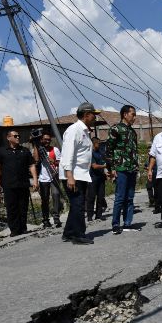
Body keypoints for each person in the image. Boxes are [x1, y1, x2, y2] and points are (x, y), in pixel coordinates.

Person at [60, 102, 100, 244]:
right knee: (78, 205)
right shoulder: (74, 130)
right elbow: (67, 154)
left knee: (76, 204)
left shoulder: (84, 131)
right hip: (73, 175)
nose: (95, 117)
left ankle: (69, 233)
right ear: (86, 115)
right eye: (93, 115)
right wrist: (69, 176)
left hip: (81, 174)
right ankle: (78, 235)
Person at [0, 130, 38, 237]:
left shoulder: (25, 150)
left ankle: (23, 228)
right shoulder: (1, 151)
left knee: (23, 207)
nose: (18, 137)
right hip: (9, 184)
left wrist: (35, 180)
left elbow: (31, 165)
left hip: (23, 183)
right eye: (15, 136)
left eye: (18, 136)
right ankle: (14, 229)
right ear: (9, 138)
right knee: (11, 207)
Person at [106, 104, 139, 234]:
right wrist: (111, 169)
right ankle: (115, 224)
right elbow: (109, 150)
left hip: (132, 169)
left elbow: (134, 151)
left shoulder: (132, 132)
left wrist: (136, 167)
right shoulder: (115, 129)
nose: (134, 117)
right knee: (120, 197)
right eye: (133, 114)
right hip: (120, 168)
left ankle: (127, 223)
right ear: (125, 114)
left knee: (130, 198)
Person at [33, 130, 63, 228]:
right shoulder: (38, 149)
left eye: (49, 140)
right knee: (45, 199)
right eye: (45, 139)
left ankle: (56, 217)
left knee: (56, 195)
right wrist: (35, 145)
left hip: (54, 176)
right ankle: (45, 219)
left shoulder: (55, 149)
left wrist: (54, 161)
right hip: (43, 178)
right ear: (41, 140)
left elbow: (61, 162)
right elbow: (36, 160)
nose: (47, 141)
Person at [86, 136, 108, 222]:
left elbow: (103, 162)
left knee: (101, 196)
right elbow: (94, 166)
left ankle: (99, 215)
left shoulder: (100, 153)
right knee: (91, 197)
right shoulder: (90, 153)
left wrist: (106, 171)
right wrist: (105, 166)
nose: (99, 145)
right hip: (93, 177)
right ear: (94, 144)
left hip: (101, 177)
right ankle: (90, 216)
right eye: (98, 143)